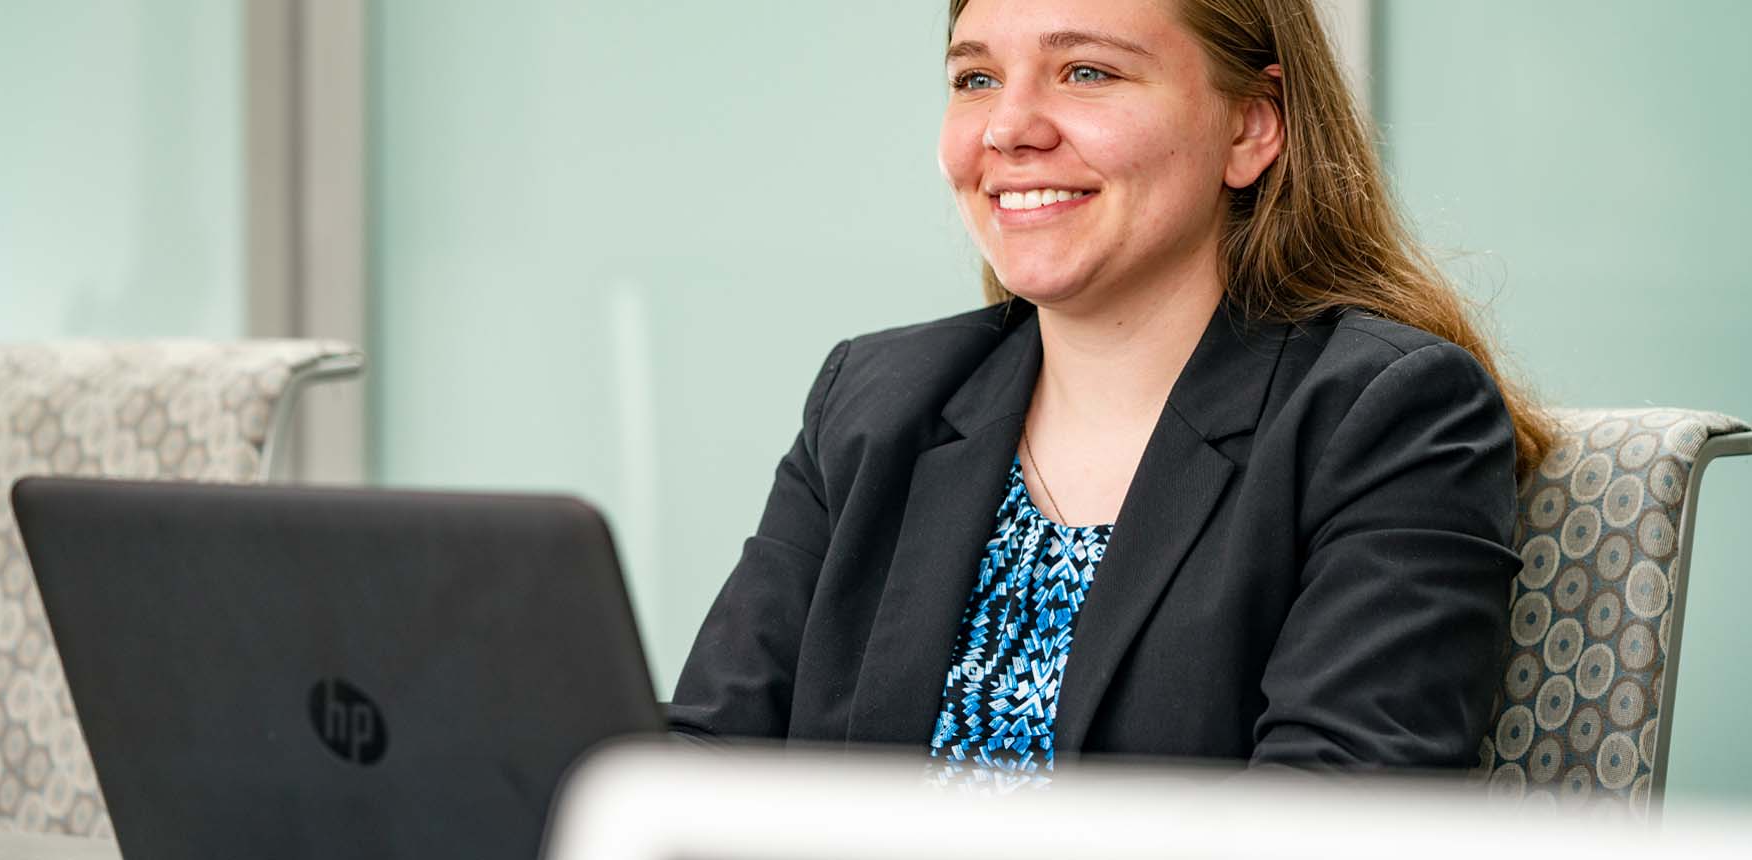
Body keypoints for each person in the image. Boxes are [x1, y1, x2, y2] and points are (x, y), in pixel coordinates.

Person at [665, 0, 1551, 781]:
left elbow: (1325, 825)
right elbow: (698, 767)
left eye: (1086, 71)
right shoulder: (870, 401)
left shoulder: (1387, 416)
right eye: (974, 78)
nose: (1008, 128)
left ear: (1250, 126)